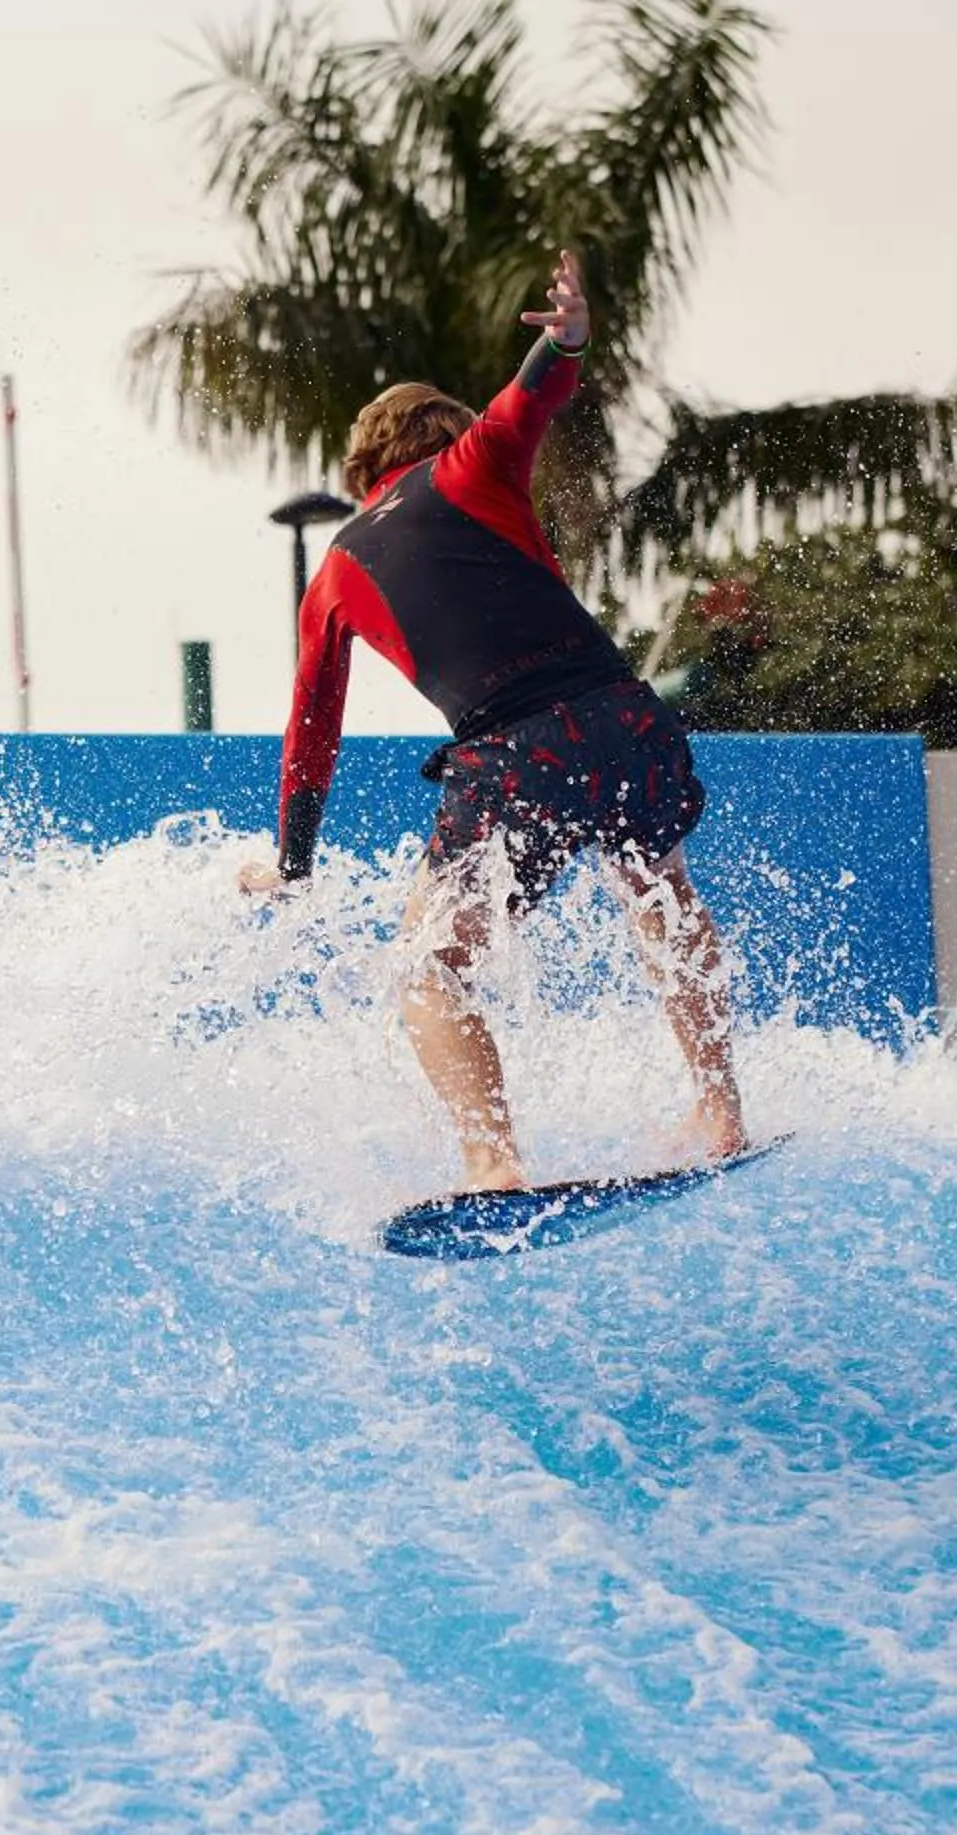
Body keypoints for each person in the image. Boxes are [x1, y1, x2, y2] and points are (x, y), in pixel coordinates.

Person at [238, 250, 748, 1192]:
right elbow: (532, 398)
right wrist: (568, 339)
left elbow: (311, 741)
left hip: (515, 754)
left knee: (431, 967)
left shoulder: (336, 576)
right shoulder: (477, 466)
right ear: (446, 440)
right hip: (624, 716)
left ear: (364, 473)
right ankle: (720, 1107)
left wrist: (295, 865)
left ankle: (492, 1156)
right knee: (658, 892)